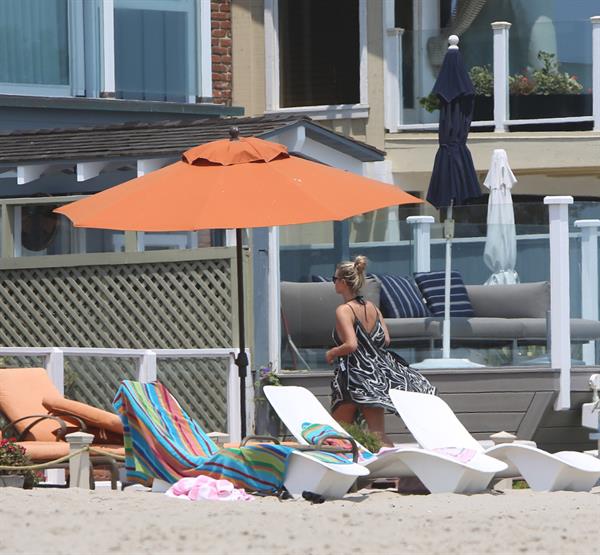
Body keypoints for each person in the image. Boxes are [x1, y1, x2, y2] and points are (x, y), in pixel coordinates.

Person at [325, 255, 436, 446]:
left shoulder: (344, 310)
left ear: (343, 282)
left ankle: (347, 470)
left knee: (338, 434)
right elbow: (386, 339)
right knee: (378, 434)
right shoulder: (373, 308)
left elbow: (351, 345)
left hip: (353, 377)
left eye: (335, 279)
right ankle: (392, 471)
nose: (333, 283)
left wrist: (333, 352)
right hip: (374, 378)